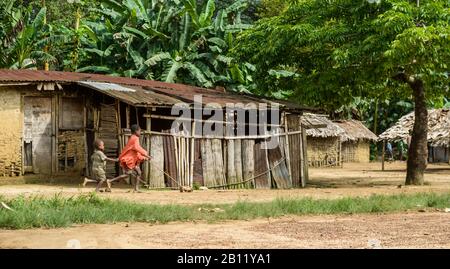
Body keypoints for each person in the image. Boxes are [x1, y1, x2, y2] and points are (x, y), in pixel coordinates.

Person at [107, 124, 151, 192]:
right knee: (128, 174)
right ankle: (110, 181)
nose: (140, 132)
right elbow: (137, 148)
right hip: (129, 160)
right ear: (136, 131)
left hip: (132, 160)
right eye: (139, 131)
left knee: (138, 172)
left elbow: (136, 152)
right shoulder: (135, 138)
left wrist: (144, 157)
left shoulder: (133, 138)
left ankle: (136, 189)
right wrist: (146, 154)